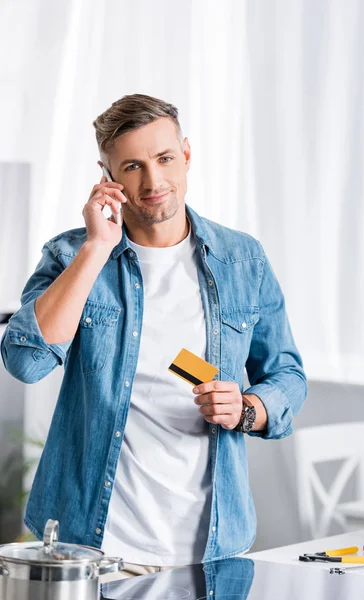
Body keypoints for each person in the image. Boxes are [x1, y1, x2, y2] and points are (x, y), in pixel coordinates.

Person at [1, 94, 307, 578]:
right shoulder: (71, 255)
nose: (153, 181)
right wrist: (97, 247)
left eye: (164, 158)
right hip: (91, 550)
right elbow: (26, 361)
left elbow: (287, 374)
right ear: (108, 176)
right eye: (132, 166)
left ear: (186, 154)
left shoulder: (242, 260)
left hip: (211, 550)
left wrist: (249, 408)